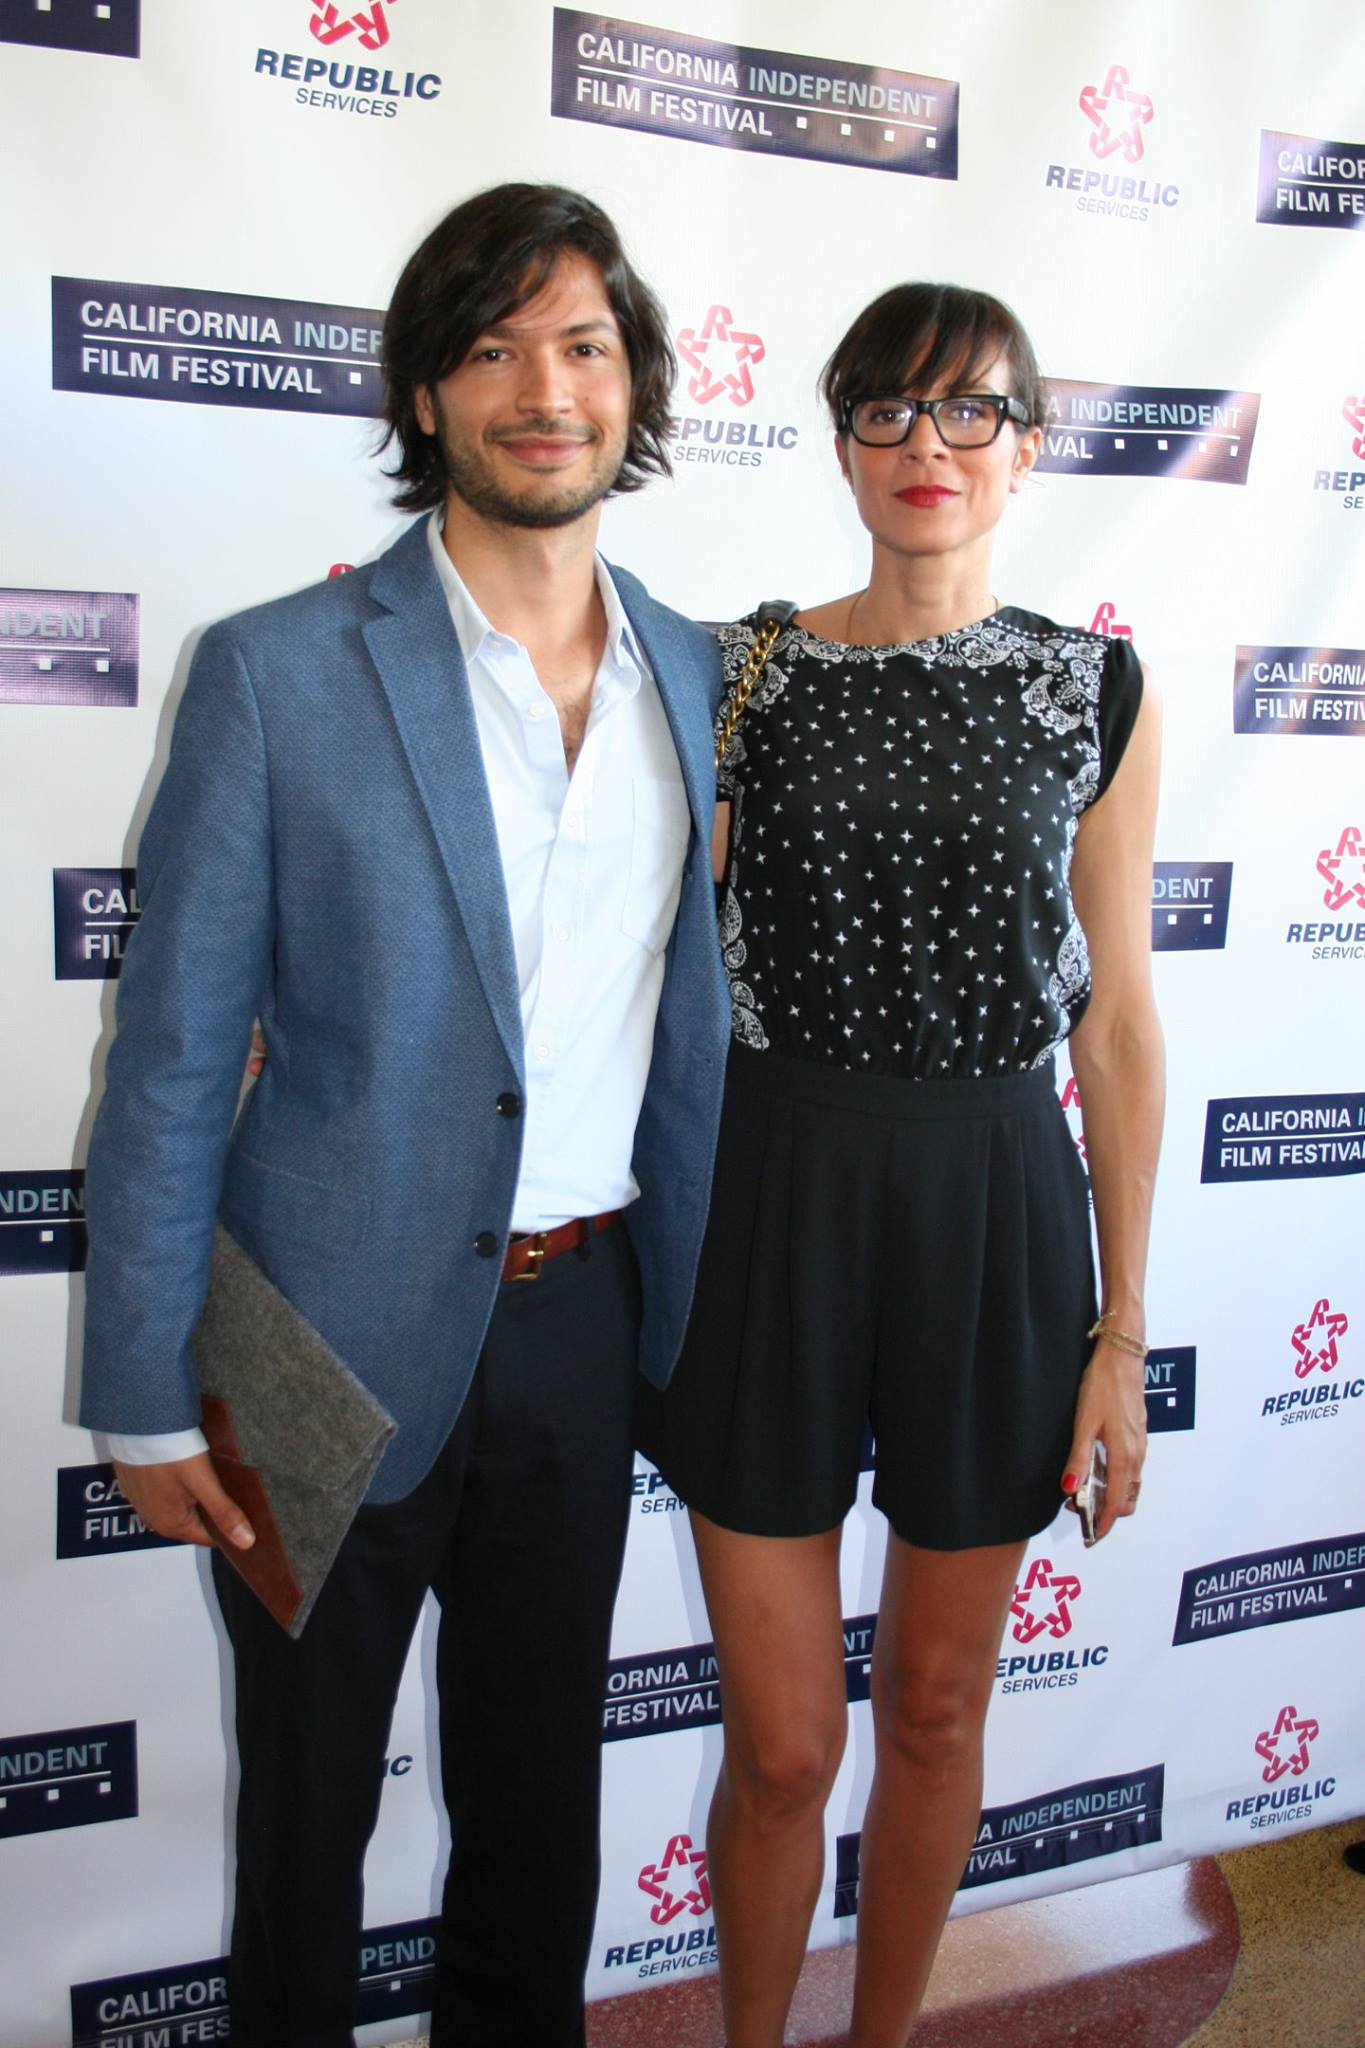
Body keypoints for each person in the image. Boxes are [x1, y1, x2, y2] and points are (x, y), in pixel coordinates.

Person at [78, 183, 730, 2048]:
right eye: (494, 347)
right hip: (311, 1341)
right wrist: (141, 1386)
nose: (547, 387)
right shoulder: (280, 670)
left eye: (585, 346)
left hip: (584, 1327)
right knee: (304, 1818)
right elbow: (176, 1057)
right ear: (426, 395)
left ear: (637, 387)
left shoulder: (696, 676)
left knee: (540, 1812)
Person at [637, 281, 1165, 2048]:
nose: (925, 448)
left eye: (969, 414)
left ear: (1026, 447)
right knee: (783, 1742)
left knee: (938, 1709)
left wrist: (1116, 1337)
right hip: (770, 1200)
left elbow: (1114, 1031)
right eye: (886, 411)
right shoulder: (741, 670)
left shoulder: (1092, 684)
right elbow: (624, 939)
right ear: (839, 434)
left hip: (995, 1209)